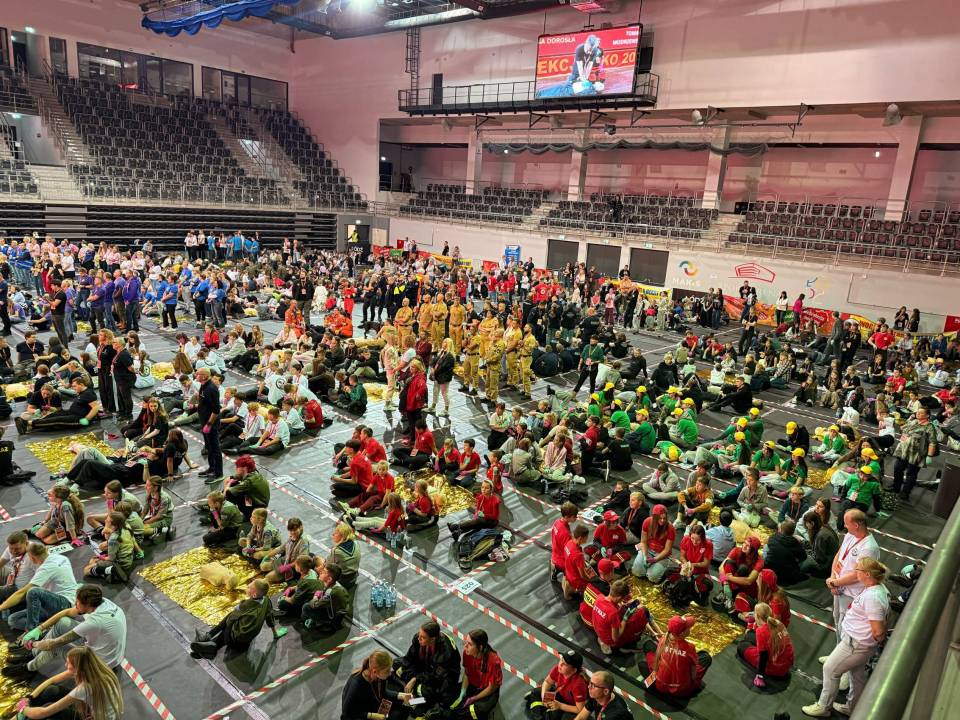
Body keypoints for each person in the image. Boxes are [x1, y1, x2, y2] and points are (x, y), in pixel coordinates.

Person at [803, 558, 890, 717]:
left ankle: (823, 707)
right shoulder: (876, 589)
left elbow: (878, 631)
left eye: (858, 570)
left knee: (830, 669)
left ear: (867, 574)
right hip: (859, 643)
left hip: (855, 644)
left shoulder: (873, 597)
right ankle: (852, 707)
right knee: (856, 676)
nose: (855, 572)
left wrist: (869, 642)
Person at [5, 584, 126, 679]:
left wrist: (33, 644)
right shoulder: (101, 602)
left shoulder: (95, 621)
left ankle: (27, 669)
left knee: (56, 647)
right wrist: (39, 628)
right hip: (105, 648)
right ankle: (32, 655)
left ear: (87, 604)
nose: (75, 604)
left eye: (77, 602)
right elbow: (66, 612)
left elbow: (53, 644)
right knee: (63, 622)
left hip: (100, 664)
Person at [13, 646, 123, 720]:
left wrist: (23, 709)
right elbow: (51, 680)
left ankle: (23, 715)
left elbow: (43, 712)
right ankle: (25, 714)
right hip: (97, 710)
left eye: (68, 663)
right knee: (52, 690)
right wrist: (29, 697)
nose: (65, 665)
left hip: (95, 716)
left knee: (49, 708)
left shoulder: (84, 688)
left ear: (78, 668)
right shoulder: (96, 670)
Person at [190, 579, 286, 657]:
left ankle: (210, 639)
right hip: (245, 644)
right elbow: (270, 619)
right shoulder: (266, 601)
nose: (247, 586)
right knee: (234, 621)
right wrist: (275, 634)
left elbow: (229, 621)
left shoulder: (246, 605)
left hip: (234, 642)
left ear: (254, 595)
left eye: (249, 587)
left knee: (229, 618)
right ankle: (211, 646)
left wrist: (226, 626)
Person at [826, 509, 880, 644]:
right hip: (838, 585)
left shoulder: (869, 548)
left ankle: (841, 652)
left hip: (851, 593)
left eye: (846, 523)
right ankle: (838, 649)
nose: (844, 526)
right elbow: (839, 555)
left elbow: (857, 575)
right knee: (836, 617)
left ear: (856, 525)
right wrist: (833, 578)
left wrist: (834, 583)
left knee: (845, 625)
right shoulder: (850, 535)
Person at [0, 543, 79, 631]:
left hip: (64, 603)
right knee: (13, 619)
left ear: (32, 558)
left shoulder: (45, 569)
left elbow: (21, 593)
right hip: (59, 601)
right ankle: (46, 627)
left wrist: (1, 607)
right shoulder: (61, 558)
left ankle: (32, 630)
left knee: (33, 592)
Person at [394, 621, 462, 713]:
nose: (419, 638)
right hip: (427, 666)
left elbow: (435, 677)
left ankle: (415, 700)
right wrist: (412, 677)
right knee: (396, 663)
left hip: (444, 676)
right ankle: (414, 689)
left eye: (422, 637)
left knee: (428, 693)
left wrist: (415, 679)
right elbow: (408, 659)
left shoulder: (446, 653)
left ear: (432, 639)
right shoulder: (418, 638)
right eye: (419, 634)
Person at [639, 615, 711, 699]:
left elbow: (656, 665)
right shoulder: (690, 648)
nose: (690, 629)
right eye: (688, 628)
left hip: (660, 686)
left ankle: (652, 685)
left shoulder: (663, 640)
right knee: (706, 657)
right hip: (681, 691)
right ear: (682, 633)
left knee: (648, 647)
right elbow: (693, 675)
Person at [340, 650, 412, 720]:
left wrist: (401, 695)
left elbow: (383, 693)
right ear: (375, 672)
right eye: (387, 671)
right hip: (358, 714)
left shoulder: (379, 675)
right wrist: (372, 715)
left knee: (405, 708)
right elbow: (347, 713)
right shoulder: (356, 684)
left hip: (370, 703)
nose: (390, 673)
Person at [736, 602, 794, 687]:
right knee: (750, 635)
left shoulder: (761, 631)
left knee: (742, 645)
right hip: (786, 663)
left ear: (758, 617)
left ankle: (762, 674)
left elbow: (763, 657)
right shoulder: (778, 622)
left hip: (775, 668)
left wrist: (760, 675)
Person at [891, 407, 939, 501]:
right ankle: (896, 488)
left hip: (916, 454)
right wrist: (902, 424)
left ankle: (905, 493)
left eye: (921, 413)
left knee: (911, 474)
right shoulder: (914, 421)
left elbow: (932, 443)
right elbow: (903, 429)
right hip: (903, 451)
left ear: (927, 415)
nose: (918, 414)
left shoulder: (929, 427)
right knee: (898, 468)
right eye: (918, 412)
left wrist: (929, 456)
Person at [452, 629, 502, 720]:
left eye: (470, 644)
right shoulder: (467, 653)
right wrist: (463, 690)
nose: (465, 646)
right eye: (465, 642)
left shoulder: (493, 661)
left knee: (477, 711)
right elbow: (467, 673)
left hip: (487, 691)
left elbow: (491, 688)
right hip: (473, 685)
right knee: (450, 696)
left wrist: (474, 698)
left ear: (480, 647)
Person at [525, 650, 588, 720]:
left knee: (555, 715)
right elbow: (547, 682)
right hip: (560, 695)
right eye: (561, 660)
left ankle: (540, 714)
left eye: (565, 664)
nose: (560, 664)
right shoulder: (559, 669)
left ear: (574, 670)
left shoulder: (578, 685)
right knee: (537, 692)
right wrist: (544, 697)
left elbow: (580, 709)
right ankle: (539, 715)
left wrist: (560, 706)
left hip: (569, 705)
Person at [300, 562, 352, 632]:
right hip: (336, 608)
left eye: (323, 572)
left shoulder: (331, 592)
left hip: (335, 616)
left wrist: (315, 596)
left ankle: (327, 623)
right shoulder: (333, 584)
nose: (320, 572)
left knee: (306, 607)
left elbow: (315, 605)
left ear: (329, 579)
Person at [631, 504, 676, 582]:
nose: (662, 520)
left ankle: (663, 566)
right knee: (637, 571)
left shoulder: (670, 528)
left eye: (664, 518)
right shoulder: (647, 522)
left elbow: (667, 550)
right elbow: (643, 542)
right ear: (655, 518)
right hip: (648, 549)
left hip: (662, 554)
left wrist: (655, 559)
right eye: (660, 518)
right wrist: (645, 556)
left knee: (652, 577)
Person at [223, 454, 270, 521]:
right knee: (235, 485)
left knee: (231, 493)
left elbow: (228, 492)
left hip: (257, 507)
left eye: (238, 467)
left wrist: (228, 484)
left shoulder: (248, 482)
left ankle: (248, 515)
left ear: (244, 468)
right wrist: (231, 478)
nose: (236, 469)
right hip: (260, 501)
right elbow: (239, 476)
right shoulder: (254, 472)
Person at [196, 367, 223, 480]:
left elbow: (216, 410)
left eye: (198, 374)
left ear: (205, 376)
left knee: (215, 448)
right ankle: (212, 468)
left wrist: (209, 424)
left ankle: (218, 473)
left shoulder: (211, 389)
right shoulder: (203, 386)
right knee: (209, 447)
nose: (196, 375)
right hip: (204, 421)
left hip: (210, 424)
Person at [763, 520, 807, 586]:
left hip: (770, 568)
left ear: (780, 530)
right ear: (793, 532)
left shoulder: (772, 538)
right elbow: (804, 557)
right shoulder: (795, 542)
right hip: (788, 573)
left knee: (766, 546)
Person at [551, 502, 579, 582]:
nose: (576, 518)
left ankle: (554, 574)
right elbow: (569, 552)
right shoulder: (565, 533)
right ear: (567, 516)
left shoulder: (557, 522)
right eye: (574, 516)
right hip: (562, 561)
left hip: (555, 555)